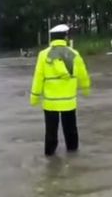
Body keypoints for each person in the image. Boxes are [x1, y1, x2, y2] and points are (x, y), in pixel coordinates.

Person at [30, 24, 91, 156]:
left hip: (50, 103)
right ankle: (73, 155)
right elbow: (83, 74)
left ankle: (50, 157)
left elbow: (38, 77)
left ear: (51, 38)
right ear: (65, 37)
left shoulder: (43, 55)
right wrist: (86, 89)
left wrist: (34, 97)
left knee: (51, 131)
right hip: (69, 102)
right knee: (71, 131)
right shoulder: (74, 54)